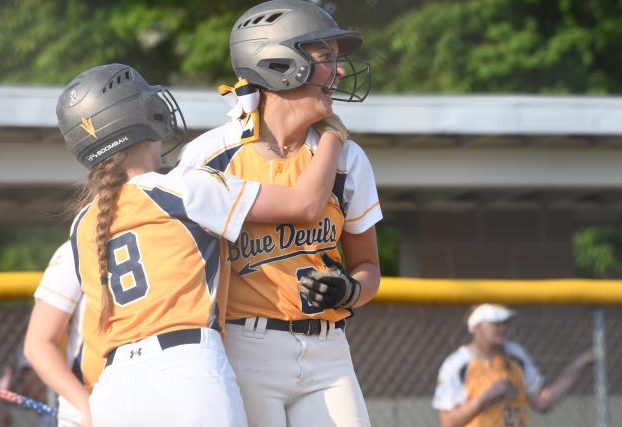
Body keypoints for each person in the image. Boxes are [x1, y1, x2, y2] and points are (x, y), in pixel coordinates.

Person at [55, 62, 346, 427]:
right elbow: (306, 204)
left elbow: (95, 332)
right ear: (143, 116)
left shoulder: (84, 222)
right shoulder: (185, 185)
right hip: (186, 370)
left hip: (113, 386)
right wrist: (333, 137)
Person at [177, 1, 381, 426]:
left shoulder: (349, 157)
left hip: (329, 351)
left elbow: (367, 268)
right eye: (325, 59)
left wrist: (350, 291)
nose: (339, 72)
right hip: (244, 346)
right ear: (278, 63)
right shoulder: (210, 157)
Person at [432, 304, 596, 427]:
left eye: (505, 323)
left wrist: (577, 367)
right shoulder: (458, 364)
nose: (503, 328)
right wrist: (486, 397)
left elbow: (542, 402)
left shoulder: (516, 355)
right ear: (476, 327)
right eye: (496, 323)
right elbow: (448, 422)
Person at [24, 241, 90, 427]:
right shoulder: (76, 249)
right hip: (89, 403)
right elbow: (38, 343)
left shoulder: (168, 232)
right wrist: (84, 405)